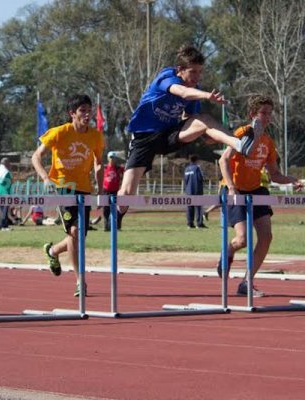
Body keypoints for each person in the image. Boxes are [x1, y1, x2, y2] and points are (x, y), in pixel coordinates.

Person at [117, 44, 263, 218]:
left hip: (169, 135)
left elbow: (194, 121)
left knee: (205, 119)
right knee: (126, 195)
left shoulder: (195, 89)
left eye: (200, 72)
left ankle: (239, 144)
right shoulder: (167, 77)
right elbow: (183, 92)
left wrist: (207, 135)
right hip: (144, 138)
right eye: (193, 72)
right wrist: (207, 95)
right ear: (180, 70)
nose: (197, 77)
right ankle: (115, 213)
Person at [218, 94, 303, 297]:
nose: (267, 117)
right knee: (242, 240)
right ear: (252, 115)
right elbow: (223, 160)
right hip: (235, 188)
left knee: (266, 236)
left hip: (256, 190)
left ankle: (247, 282)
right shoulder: (242, 133)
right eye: (263, 113)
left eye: (269, 114)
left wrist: (294, 180)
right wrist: (231, 188)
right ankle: (227, 252)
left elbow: (275, 174)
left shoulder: (268, 142)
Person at [32, 94, 104, 297]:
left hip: (84, 189)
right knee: (74, 232)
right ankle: (81, 281)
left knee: (78, 236)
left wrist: (101, 190)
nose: (87, 114)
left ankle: (53, 251)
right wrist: (46, 178)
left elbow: (99, 163)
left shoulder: (95, 136)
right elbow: (36, 157)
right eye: (82, 110)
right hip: (64, 187)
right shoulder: (59, 133)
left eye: (89, 110)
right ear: (72, 113)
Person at [102, 151, 125, 231]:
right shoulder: (104, 168)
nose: (112, 159)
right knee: (106, 209)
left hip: (115, 191)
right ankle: (106, 226)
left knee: (116, 209)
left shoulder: (118, 168)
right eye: (111, 157)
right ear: (108, 158)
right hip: (105, 191)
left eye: (113, 157)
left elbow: (126, 173)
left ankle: (117, 226)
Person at [184, 154, 206, 228]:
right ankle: (199, 224)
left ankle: (190, 224)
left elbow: (185, 180)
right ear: (196, 160)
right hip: (197, 190)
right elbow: (201, 178)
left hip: (188, 191)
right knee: (199, 207)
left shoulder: (186, 169)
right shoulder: (197, 168)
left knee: (189, 207)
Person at [0, 157, 13, 231]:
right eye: (8, 163)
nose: (10, 164)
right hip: (5, 193)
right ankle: (3, 226)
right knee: (4, 210)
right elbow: (10, 180)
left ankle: (4, 225)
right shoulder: (5, 172)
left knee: (3, 209)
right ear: (5, 163)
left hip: (0, 192)